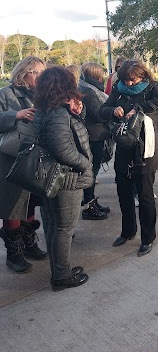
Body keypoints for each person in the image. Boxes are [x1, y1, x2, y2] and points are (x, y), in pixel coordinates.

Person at [34, 66, 93, 290]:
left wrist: (77, 109)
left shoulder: (48, 109)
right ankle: (61, 276)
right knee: (64, 228)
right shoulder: (57, 113)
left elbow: (72, 129)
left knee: (52, 224)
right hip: (66, 178)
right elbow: (62, 149)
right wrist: (84, 162)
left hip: (51, 177)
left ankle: (59, 269)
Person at [99, 60, 158, 256]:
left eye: (132, 80)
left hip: (145, 147)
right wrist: (113, 111)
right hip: (124, 146)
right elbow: (102, 110)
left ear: (142, 75)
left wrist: (138, 108)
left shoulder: (152, 88)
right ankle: (128, 231)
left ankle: (148, 237)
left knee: (145, 195)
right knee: (123, 191)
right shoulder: (118, 90)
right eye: (125, 80)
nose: (128, 84)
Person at [0, 56, 48, 273]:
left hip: (36, 158)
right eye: (34, 72)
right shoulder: (5, 93)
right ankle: (14, 254)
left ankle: (30, 244)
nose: (38, 76)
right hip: (10, 159)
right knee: (13, 206)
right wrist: (15, 115)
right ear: (23, 72)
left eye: (41, 72)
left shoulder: (44, 95)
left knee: (30, 202)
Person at [78, 62, 111, 220]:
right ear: (96, 74)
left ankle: (90, 201)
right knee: (91, 170)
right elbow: (99, 114)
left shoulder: (88, 88)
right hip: (93, 135)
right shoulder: (89, 92)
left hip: (93, 134)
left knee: (92, 170)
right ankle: (89, 204)